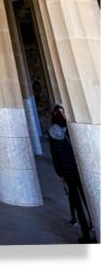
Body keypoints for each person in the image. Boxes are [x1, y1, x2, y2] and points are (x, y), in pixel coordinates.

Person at [48, 104, 95, 243]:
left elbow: (55, 155)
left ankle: (87, 230)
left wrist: (60, 172)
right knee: (83, 200)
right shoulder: (69, 129)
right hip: (77, 169)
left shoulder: (56, 131)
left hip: (70, 171)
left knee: (81, 200)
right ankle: (90, 227)